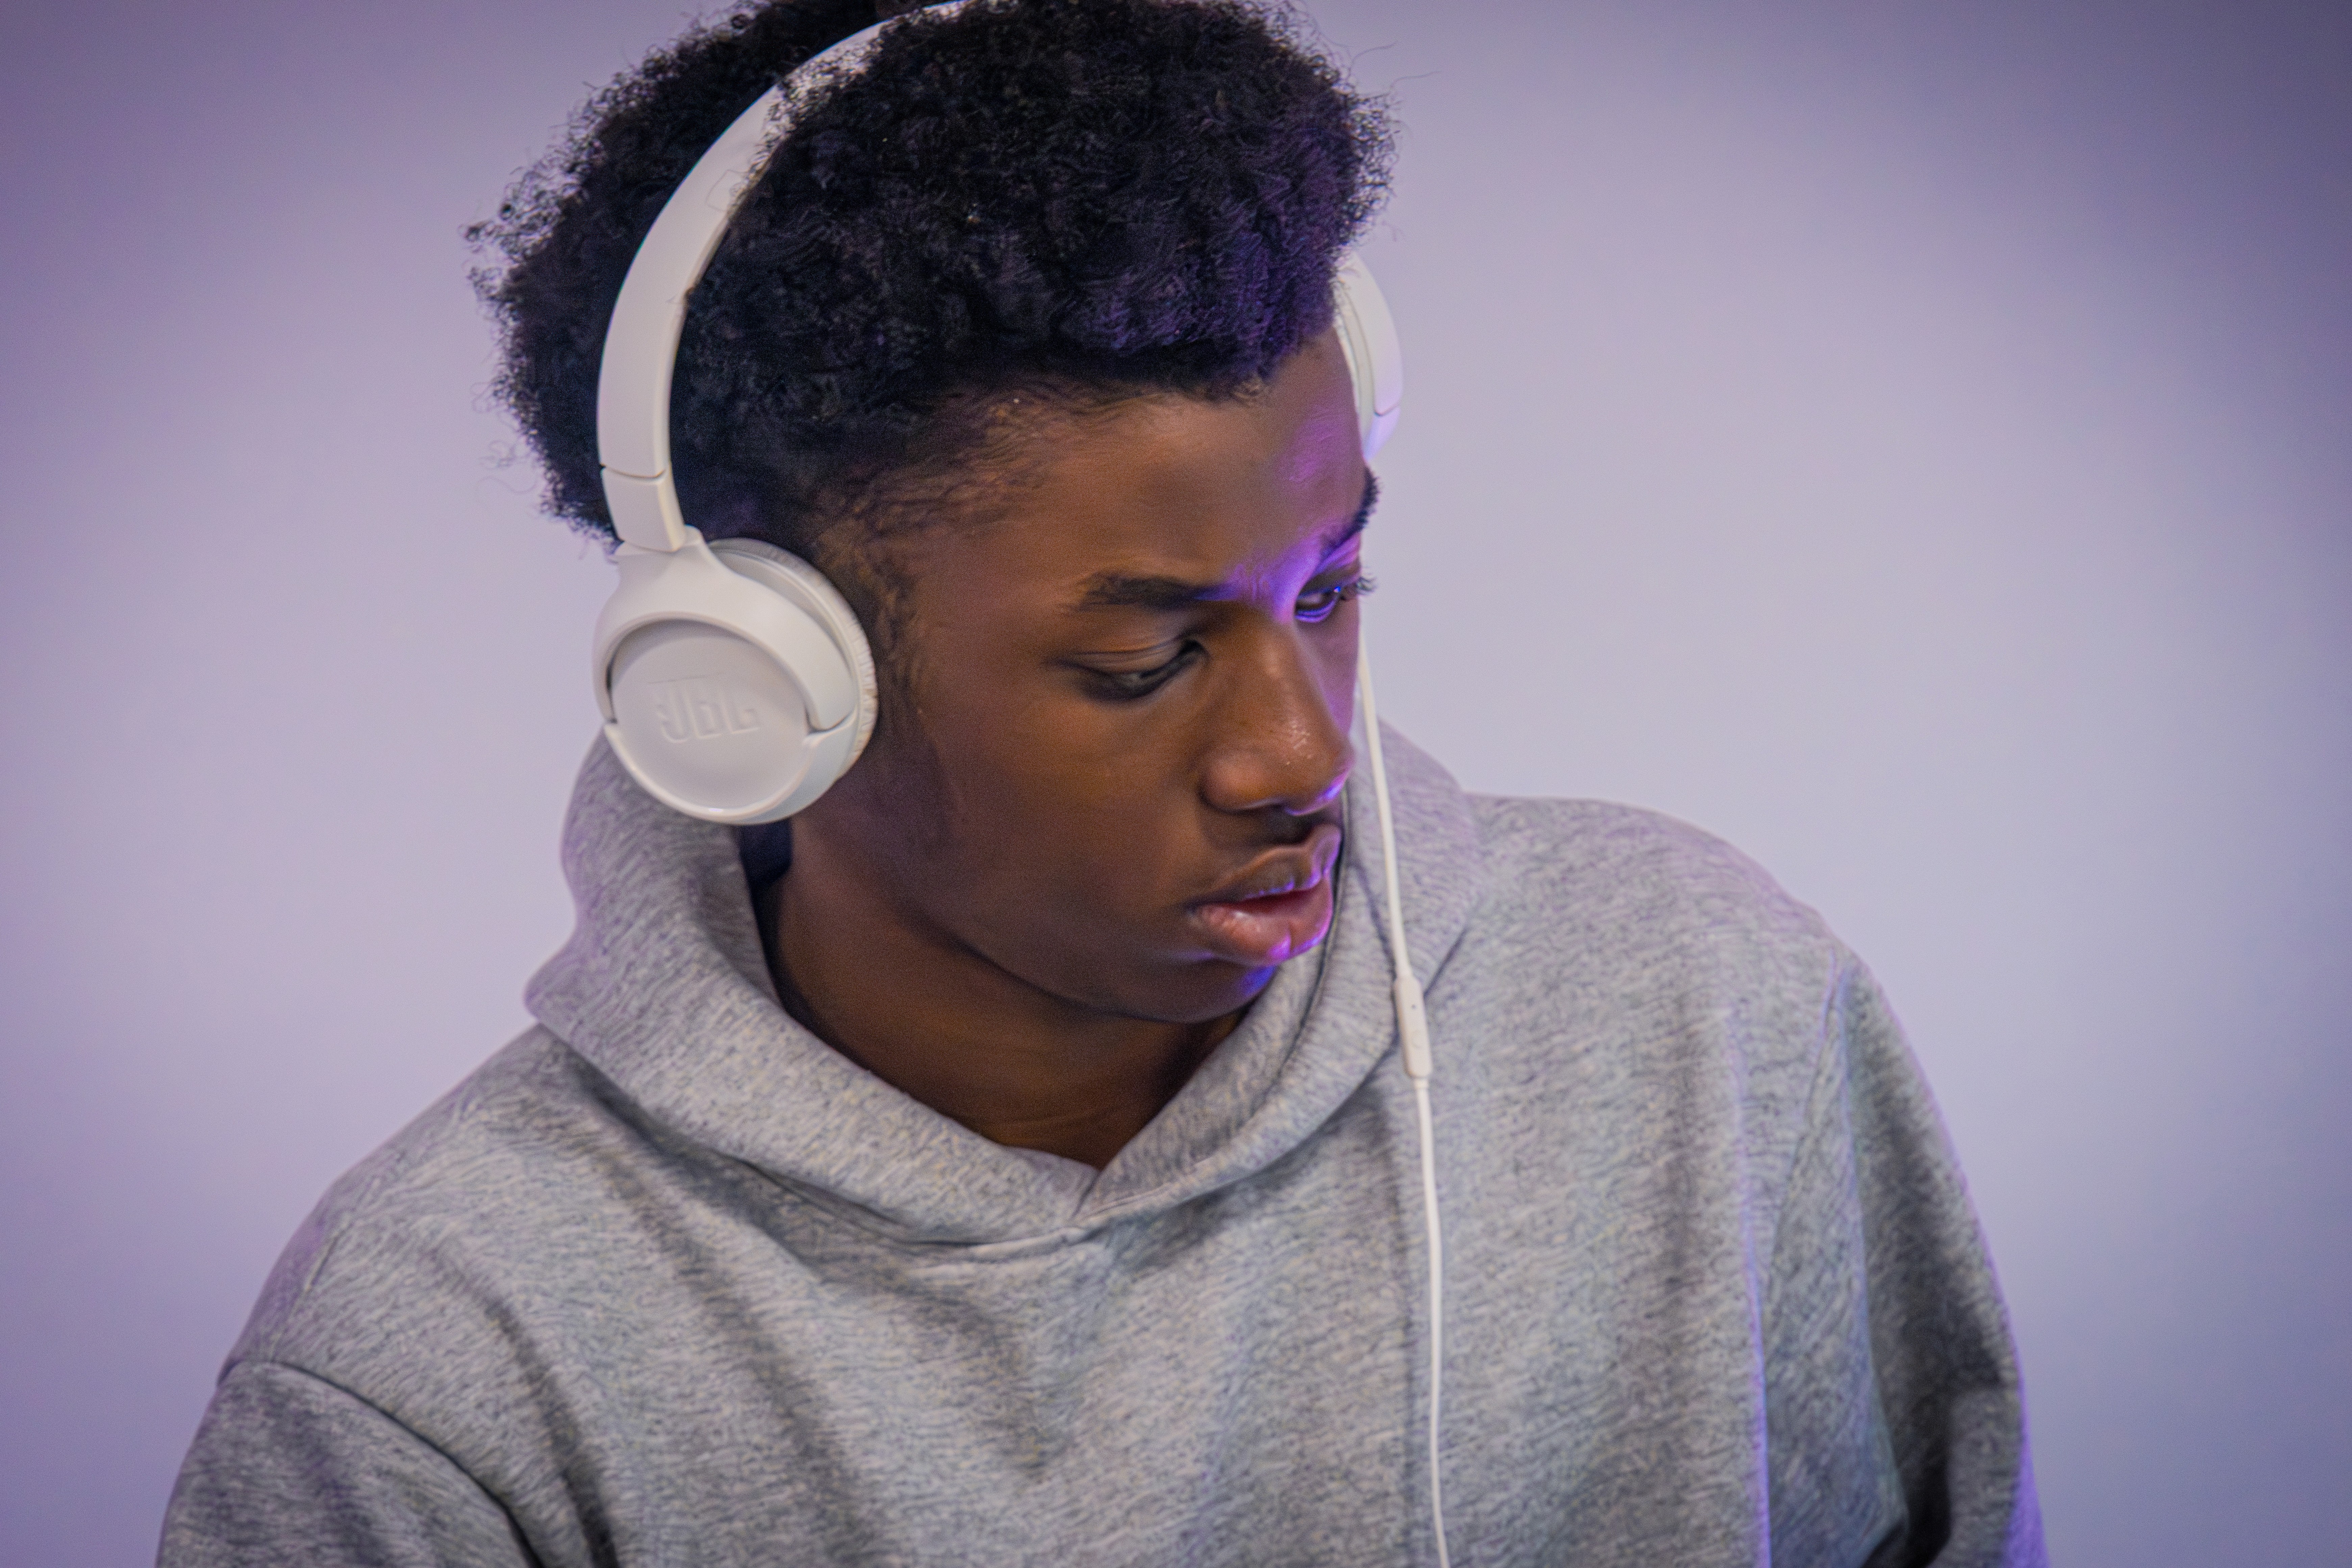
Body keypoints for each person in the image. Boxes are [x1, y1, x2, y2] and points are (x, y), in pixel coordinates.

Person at [158, 1, 2044, 1563]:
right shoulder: (444, 1359)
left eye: (1334, 590)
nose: (1302, 751)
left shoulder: (1701, 1016)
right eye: (1144, 659)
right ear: (759, 684)